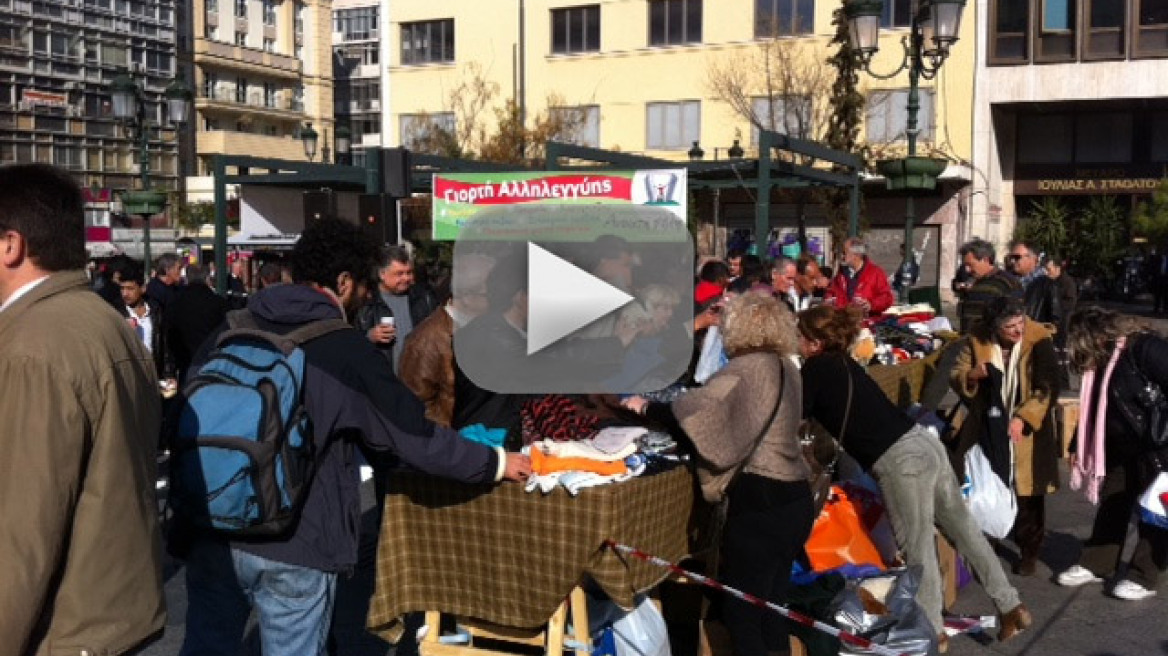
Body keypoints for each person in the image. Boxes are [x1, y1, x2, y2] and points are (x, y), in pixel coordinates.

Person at [177, 217, 531, 656]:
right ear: (344, 282)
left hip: (212, 529)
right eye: (366, 288)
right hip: (297, 540)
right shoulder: (342, 349)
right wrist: (494, 462)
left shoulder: (228, 330)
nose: (366, 299)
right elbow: (413, 436)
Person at [0, 163, 165, 654]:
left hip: (61, 628)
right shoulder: (107, 322)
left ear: (11, 245)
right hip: (111, 612)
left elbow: (20, 531)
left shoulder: (33, 348)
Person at [797, 304, 1030, 649]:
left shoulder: (814, 370)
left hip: (899, 460)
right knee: (963, 529)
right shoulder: (845, 364)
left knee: (917, 545)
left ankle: (932, 632)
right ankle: (1011, 605)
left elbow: (795, 415)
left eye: (800, 336)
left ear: (814, 342)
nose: (797, 342)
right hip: (923, 443)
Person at [622, 294, 812, 656]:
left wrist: (646, 406)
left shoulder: (745, 368)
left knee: (742, 613)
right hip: (795, 496)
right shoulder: (788, 366)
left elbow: (694, 410)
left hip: (761, 499)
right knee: (771, 608)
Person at [1057, 307, 1168, 601]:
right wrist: (1074, 447)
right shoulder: (1104, 362)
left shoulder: (1144, 348)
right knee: (1113, 500)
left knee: (1154, 510)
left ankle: (1143, 574)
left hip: (1156, 443)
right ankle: (1097, 562)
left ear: (1093, 338)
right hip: (1122, 444)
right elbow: (1093, 407)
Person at [950, 297, 1061, 576]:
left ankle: (1029, 550)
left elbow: (1048, 386)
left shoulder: (1039, 339)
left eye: (1020, 322)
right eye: (1010, 326)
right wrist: (972, 376)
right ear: (995, 327)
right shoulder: (977, 340)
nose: (1017, 330)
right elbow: (957, 373)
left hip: (1027, 427)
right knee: (985, 483)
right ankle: (987, 541)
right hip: (987, 421)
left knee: (1028, 491)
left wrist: (1024, 418)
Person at [399, 253, 496, 427]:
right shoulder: (426, 341)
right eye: (492, 293)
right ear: (466, 297)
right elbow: (414, 411)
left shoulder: (487, 330)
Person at [354, 245, 438, 374]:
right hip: (384, 382)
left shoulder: (424, 299)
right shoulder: (366, 305)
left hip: (420, 381)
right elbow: (350, 343)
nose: (406, 278)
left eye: (408, 272)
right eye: (399, 274)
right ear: (382, 274)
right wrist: (369, 337)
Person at [166, 263, 229, 381]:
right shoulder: (219, 303)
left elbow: (169, 335)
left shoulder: (175, 303)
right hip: (212, 361)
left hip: (185, 361)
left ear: (187, 278)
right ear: (207, 278)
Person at [119, 258, 176, 383]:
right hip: (128, 377)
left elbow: (165, 345)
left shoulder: (155, 310)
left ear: (143, 288)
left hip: (153, 375)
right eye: (122, 288)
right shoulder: (118, 313)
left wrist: (169, 374)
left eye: (130, 289)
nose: (125, 294)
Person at [957, 238, 1021, 333]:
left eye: (970, 265)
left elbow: (1017, 317)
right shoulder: (974, 282)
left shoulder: (1007, 283)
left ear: (985, 260)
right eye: (965, 265)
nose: (967, 270)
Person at [825, 237, 895, 316]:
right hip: (843, 321)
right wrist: (829, 300)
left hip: (867, 321)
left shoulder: (876, 273)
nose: (842, 256)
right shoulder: (840, 274)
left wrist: (870, 304)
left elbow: (886, 298)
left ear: (856, 255)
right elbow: (831, 292)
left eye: (845, 253)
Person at [1007, 240, 1061, 326]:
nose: (1013, 261)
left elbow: (1056, 319)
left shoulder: (1047, 285)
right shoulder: (1008, 280)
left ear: (1033, 259)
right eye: (1011, 257)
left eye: (1017, 257)